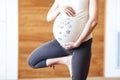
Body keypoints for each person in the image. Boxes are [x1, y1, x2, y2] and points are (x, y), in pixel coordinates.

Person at [27, 0, 98, 80]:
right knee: (33, 61)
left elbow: (93, 21)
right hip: (60, 44)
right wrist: (59, 10)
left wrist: (78, 42)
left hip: (81, 45)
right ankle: (66, 60)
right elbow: (48, 17)